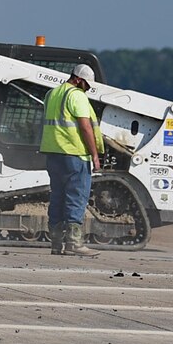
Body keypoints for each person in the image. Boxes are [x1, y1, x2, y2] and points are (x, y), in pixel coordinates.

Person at [40, 63, 104, 257]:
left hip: (54, 154)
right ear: (78, 79)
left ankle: (56, 244)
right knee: (76, 197)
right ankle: (74, 244)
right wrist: (94, 154)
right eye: (87, 84)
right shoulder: (76, 95)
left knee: (57, 197)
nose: (88, 88)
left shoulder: (52, 94)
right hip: (75, 154)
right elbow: (85, 127)